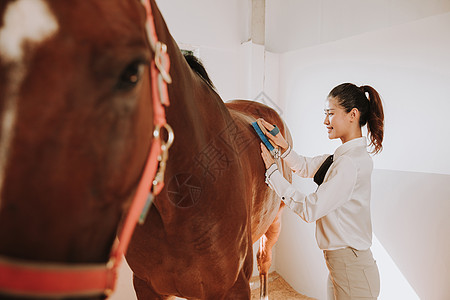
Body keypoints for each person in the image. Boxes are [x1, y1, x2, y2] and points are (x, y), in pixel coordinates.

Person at [259, 83, 383, 300]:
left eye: (330, 113)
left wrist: (272, 173)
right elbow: (306, 166)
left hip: (351, 268)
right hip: (346, 266)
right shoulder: (344, 158)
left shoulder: (348, 164)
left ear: (352, 114)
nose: (326, 121)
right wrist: (283, 146)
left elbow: (310, 209)